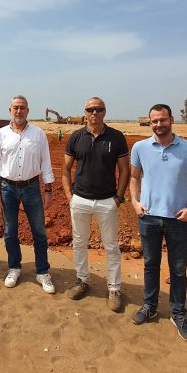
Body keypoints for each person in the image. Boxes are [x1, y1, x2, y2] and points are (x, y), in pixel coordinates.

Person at [129, 103, 187, 342]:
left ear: (171, 119)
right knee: (150, 265)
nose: (158, 125)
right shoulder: (140, 147)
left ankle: (178, 313)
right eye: (154, 121)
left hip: (178, 220)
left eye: (162, 120)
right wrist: (134, 202)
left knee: (178, 270)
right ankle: (149, 306)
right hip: (149, 218)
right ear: (150, 122)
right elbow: (134, 177)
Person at [61, 97, 129, 312]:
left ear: (104, 112)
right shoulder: (76, 136)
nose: (94, 113)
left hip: (107, 200)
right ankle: (82, 281)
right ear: (85, 112)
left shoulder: (116, 137)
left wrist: (118, 197)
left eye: (98, 109)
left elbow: (125, 170)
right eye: (91, 109)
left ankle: (114, 288)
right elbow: (65, 169)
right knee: (79, 242)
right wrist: (70, 197)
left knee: (111, 247)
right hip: (79, 199)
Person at [0, 95, 56, 294]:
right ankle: (14, 268)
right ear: (10, 110)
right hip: (7, 188)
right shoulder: (0, 135)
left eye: (22, 108)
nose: (19, 111)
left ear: (28, 110)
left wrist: (48, 190)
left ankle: (42, 272)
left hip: (32, 188)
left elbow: (46, 164)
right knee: (10, 231)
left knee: (39, 231)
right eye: (15, 108)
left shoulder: (38, 134)